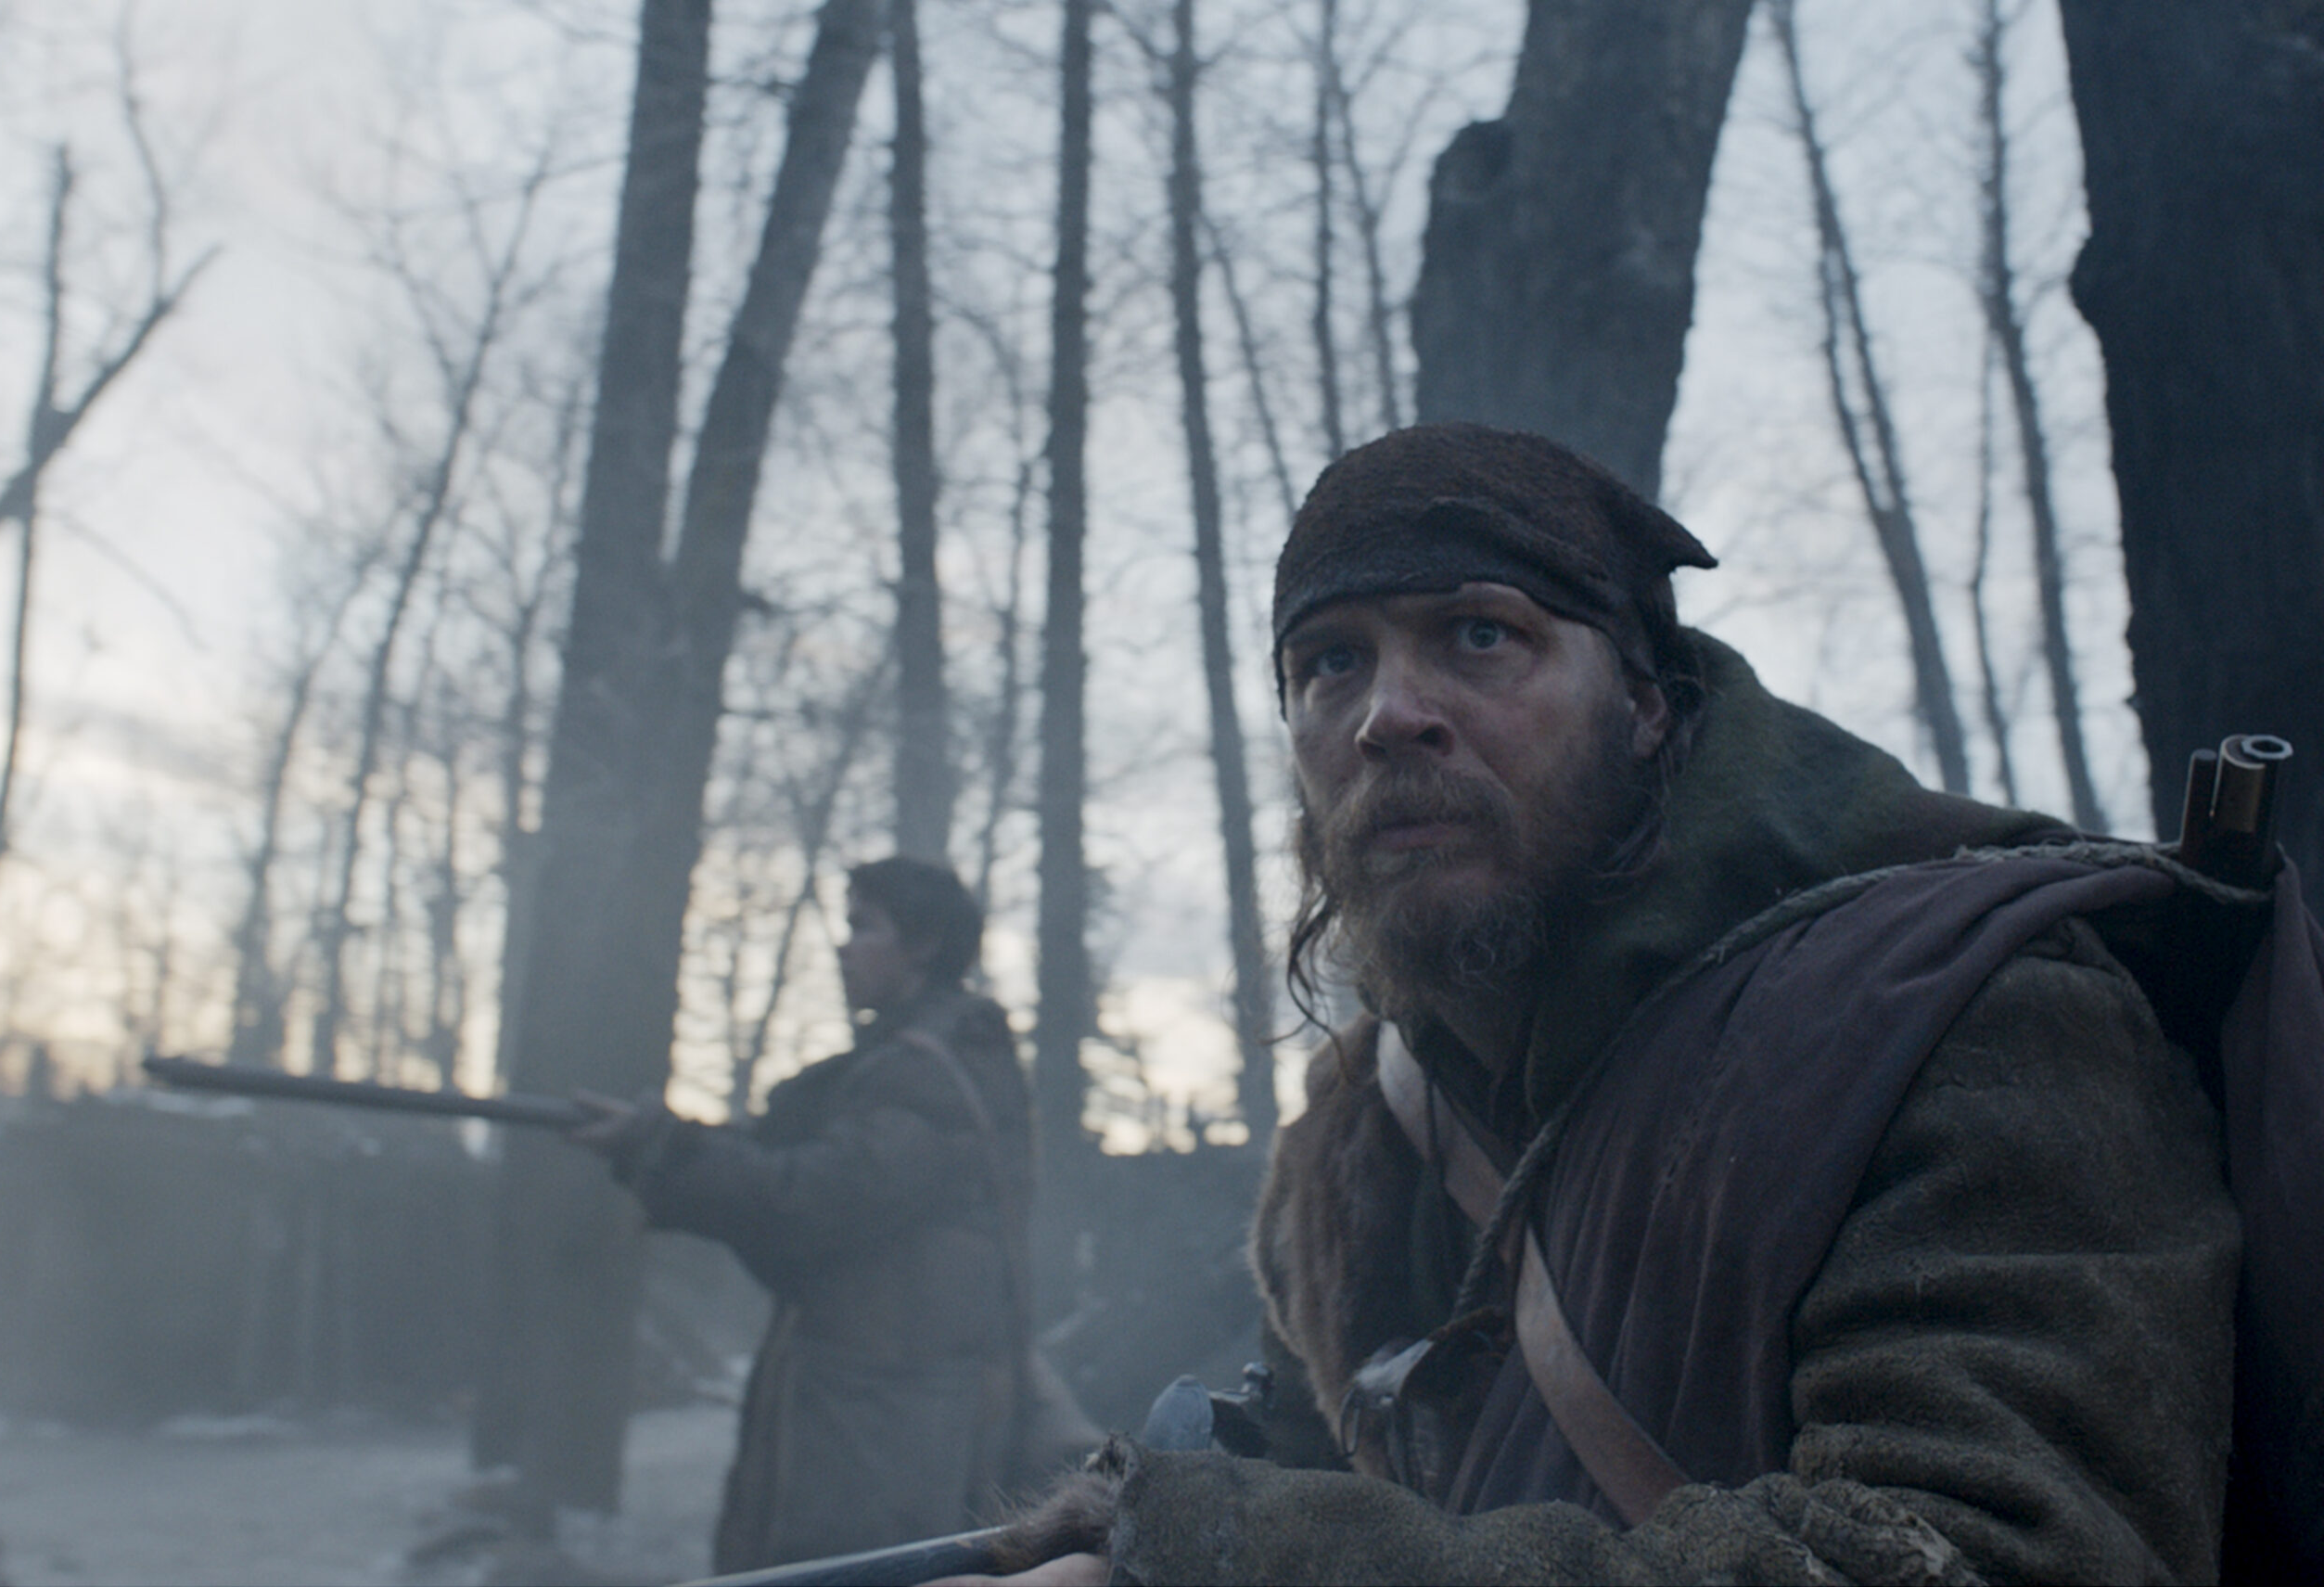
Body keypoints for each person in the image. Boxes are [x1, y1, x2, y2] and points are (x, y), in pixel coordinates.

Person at [971, 423, 2301, 1584]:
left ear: (1648, 702)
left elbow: (1988, 1558)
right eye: (1329, 662)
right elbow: (1328, 1475)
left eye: (1479, 633)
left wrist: (1229, 1556)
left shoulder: (1969, 1013)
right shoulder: (1367, 1125)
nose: (1388, 713)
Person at [573, 856, 1033, 1576]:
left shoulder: (931, 1072)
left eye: (864, 926)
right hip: (874, 1406)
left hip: (881, 1422)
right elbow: (804, 1168)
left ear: (924, 943)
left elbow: (811, 1197)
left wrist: (657, 1146)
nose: (843, 946)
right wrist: (661, 1141)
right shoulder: (916, 1061)